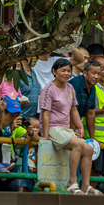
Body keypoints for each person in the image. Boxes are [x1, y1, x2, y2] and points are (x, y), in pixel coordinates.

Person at [39, 57, 96, 194]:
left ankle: (86, 185)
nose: (66, 73)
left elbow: (73, 109)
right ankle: (72, 181)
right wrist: (45, 135)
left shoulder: (70, 87)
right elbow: (45, 114)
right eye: (63, 70)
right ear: (54, 71)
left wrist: (80, 127)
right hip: (53, 127)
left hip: (66, 129)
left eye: (69, 71)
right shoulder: (49, 89)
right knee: (78, 145)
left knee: (89, 150)